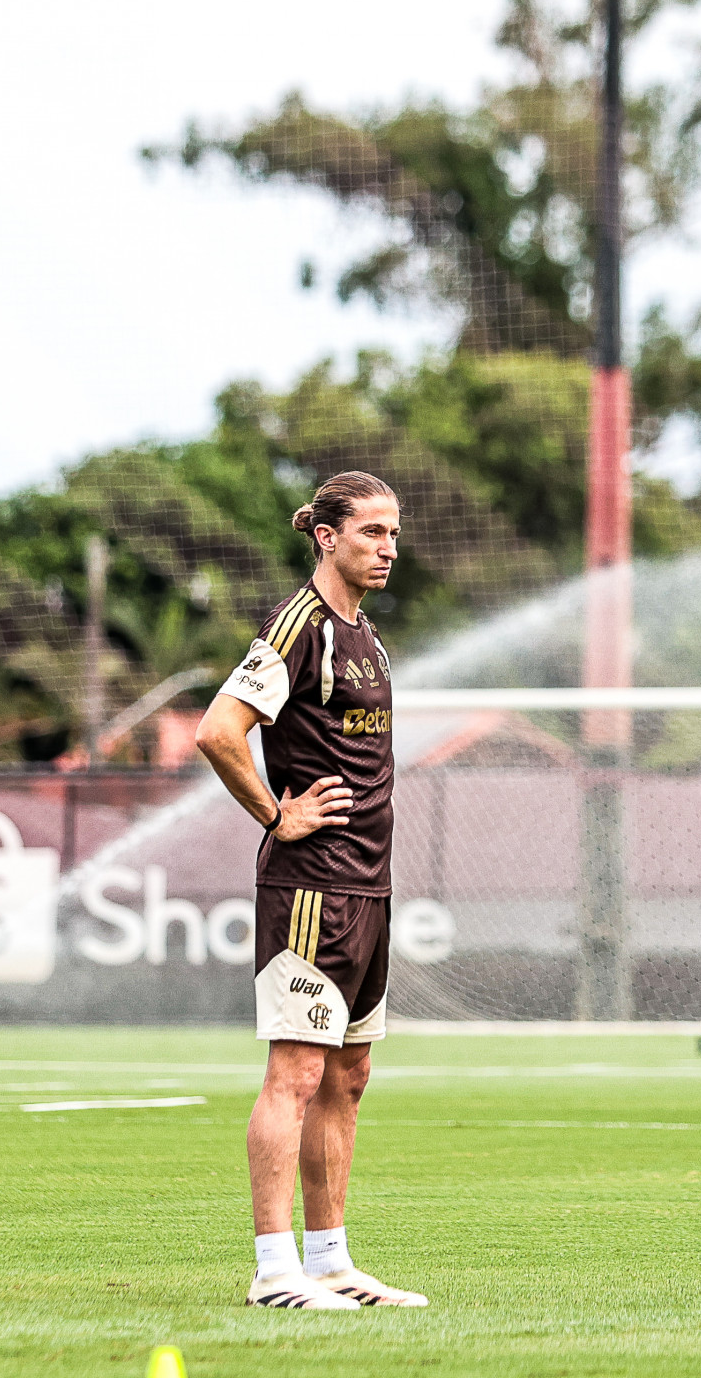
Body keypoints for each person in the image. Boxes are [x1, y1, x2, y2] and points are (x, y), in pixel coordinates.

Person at [194, 470, 427, 1311]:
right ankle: (274, 1272)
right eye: (372, 532)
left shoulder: (369, 640)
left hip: (371, 888)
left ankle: (330, 1261)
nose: (389, 548)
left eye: (394, 533)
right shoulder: (300, 626)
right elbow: (218, 731)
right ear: (327, 537)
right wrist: (274, 813)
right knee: (294, 1072)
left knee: (349, 1074)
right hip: (310, 888)